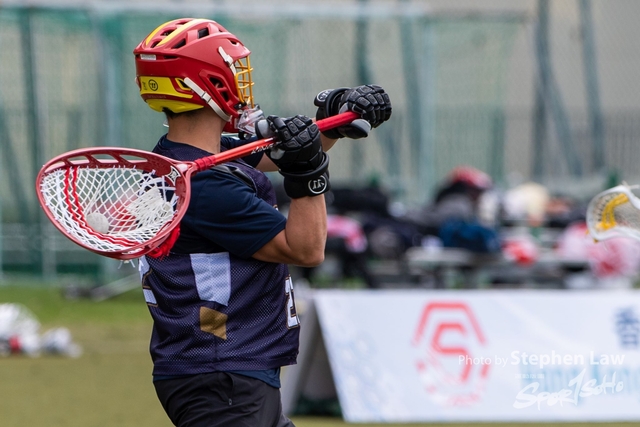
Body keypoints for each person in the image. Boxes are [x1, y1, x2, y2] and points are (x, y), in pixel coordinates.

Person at [132, 18, 391, 427]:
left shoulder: (188, 156)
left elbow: (278, 152)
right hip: (221, 370)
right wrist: (309, 173)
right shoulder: (204, 184)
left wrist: (334, 118)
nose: (241, 81)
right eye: (233, 70)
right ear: (208, 83)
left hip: (221, 368)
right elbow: (306, 248)